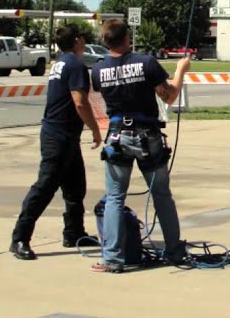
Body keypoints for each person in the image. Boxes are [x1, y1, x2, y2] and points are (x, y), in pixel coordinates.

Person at [89, 19, 192, 273]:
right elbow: (169, 95)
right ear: (127, 38)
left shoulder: (98, 69)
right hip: (147, 135)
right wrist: (181, 69)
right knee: (161, 195)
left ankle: (112, 258)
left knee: (114, 197)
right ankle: (174, 251)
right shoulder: (145, 63)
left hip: (117, 136)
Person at [9, 24, 104, 261]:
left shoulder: (61, 62)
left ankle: (74, 232)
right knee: (45, 187)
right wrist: (95, 129)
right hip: (58, 136)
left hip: (65, 135)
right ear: (78, 41)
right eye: (82, 37)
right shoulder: (75, 66)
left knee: (75, 188)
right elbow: (80, 102)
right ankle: (20, 238)